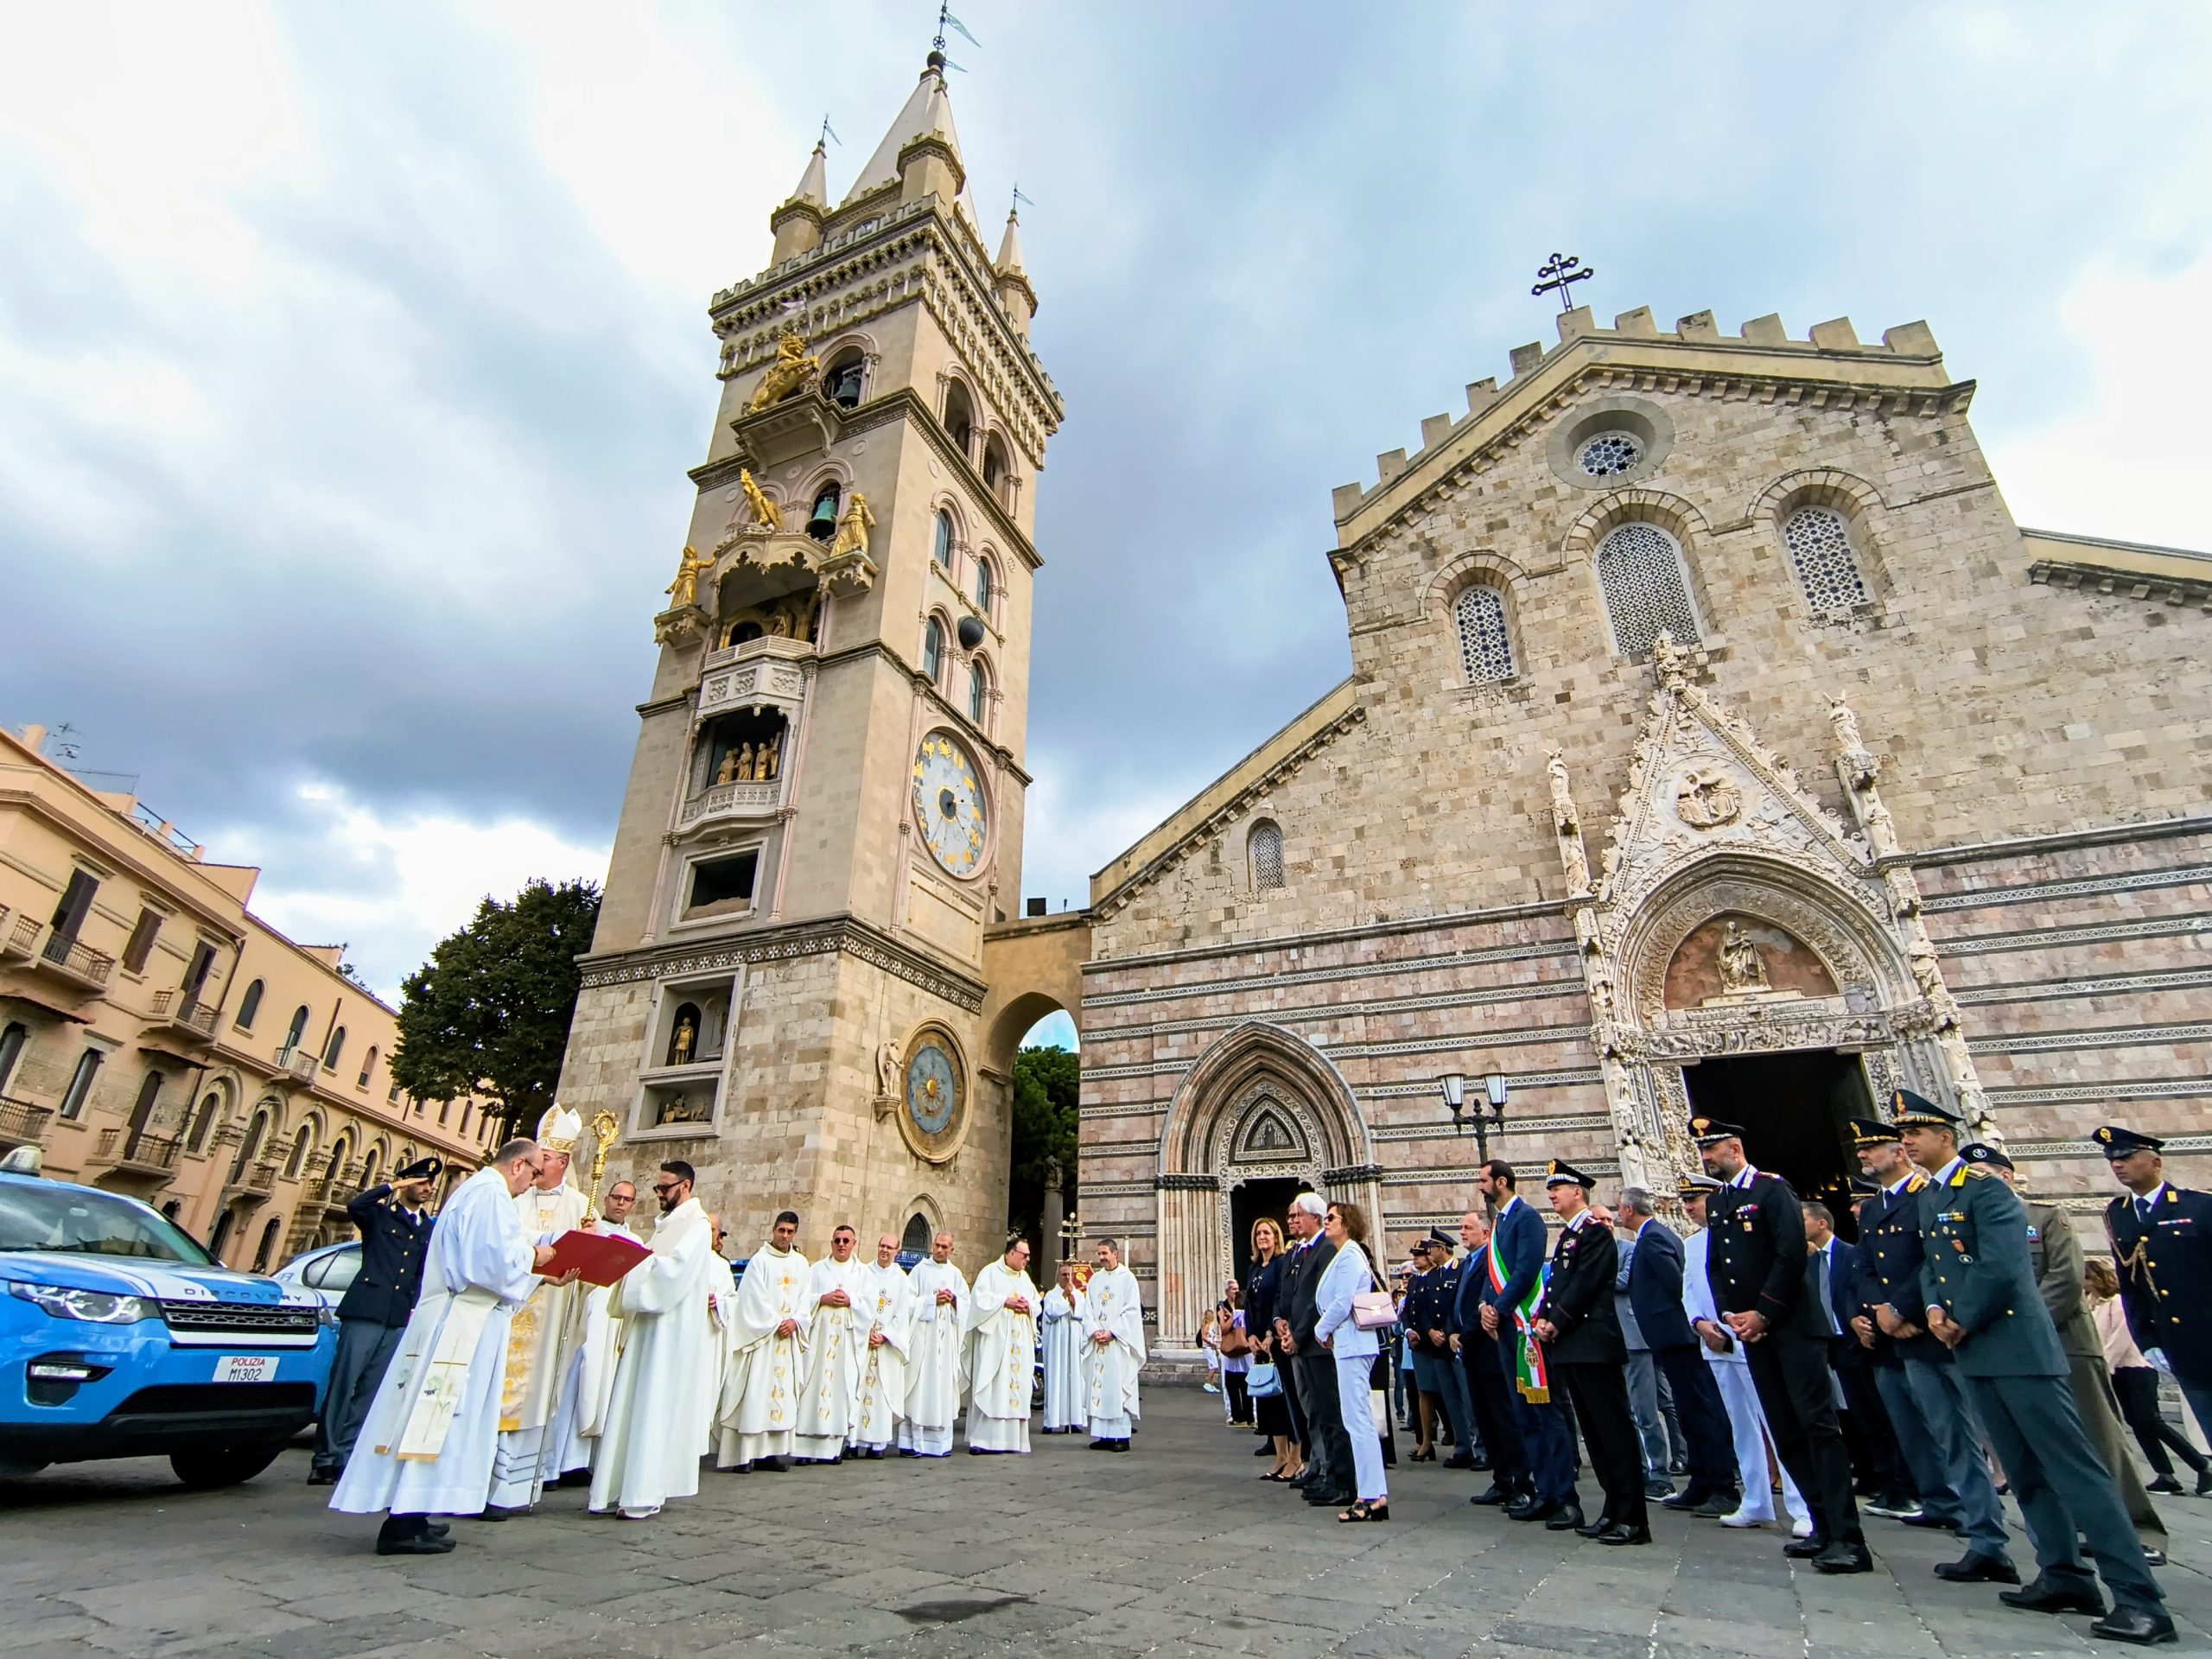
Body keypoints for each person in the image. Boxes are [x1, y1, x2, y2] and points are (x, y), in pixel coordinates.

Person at [1903, 1097, 2172, 1644]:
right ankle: (2063, 1574)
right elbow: (1934, 1266)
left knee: (2075, 1470)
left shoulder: (1987, 1191)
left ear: (1946, 1137)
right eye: (1903, 1135)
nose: (1906, 1142)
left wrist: (1961, 1319)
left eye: (1916, 1133)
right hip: (1975, 1352)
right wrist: (1933, 1310)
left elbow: (2003, 1267)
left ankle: (2138, 1598)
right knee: (2024, 1472)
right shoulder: (1931, 1196)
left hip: (2018, 1348)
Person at [331, 1139, 555, 1555]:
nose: (534, 1181)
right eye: (536, 1172)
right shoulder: (490, 1195)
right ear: (518, 1165)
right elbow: (489, 1264)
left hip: (456, 1318)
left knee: (435, 1422)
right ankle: (402, 1525)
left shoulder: (478, 1191)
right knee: (435, 1418)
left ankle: (414, 1513)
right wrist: (536, 1257)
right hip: (459, 1324)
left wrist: (539, 1270)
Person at [1970, 1142, 2168, 1565]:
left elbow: (2064, 1277)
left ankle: (2140, 1531)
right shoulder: (1972, 1227)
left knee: (2100, 1438)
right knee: (2037, 1446)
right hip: (2009, 1353)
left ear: (2007, 1176)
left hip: (2065, 1344)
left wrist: (2021, 1326)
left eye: (1985, 1175)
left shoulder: (2044, 1217)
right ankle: (2077, 1530)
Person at [1694, 1116, 1869, 1573]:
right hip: (1753, 1332)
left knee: (1817, 1427)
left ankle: (1848, 1537)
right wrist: (1730, 1313)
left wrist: (1763, 1312)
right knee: (1785, 1430)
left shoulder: (1772, 1190)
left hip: (1791, 1328)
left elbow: (1790, 1255)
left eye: (1711, 1150)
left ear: (1734, 1148)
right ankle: (1822, 1527)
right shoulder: (1720, 1201)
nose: (1706, 1158)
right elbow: (1717, 1265)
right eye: (1703, 1151)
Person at [1848, 1114, 2013, 1573]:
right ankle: (1970, 1522)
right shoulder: (1875, 1208)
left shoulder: (1929, 1196)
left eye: (1872, 1148)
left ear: (1899, 1152)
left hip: (1942, 1331)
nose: (1863, 1155)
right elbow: (1864, 1266)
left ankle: (2004, 1532)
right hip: (1901, 1337)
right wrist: (1879, 1312)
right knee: (1943, 1435)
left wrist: (1904, 1311)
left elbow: (1935, 1262)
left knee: (1982, 1435)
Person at [586, 1160, 717, 1521]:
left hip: (667, 1337)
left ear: (685, 1186)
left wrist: (631, 1260)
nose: (659, 1194)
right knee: (633, 1404)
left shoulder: (697, 1225)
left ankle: (643, 1493)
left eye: (665, 1188)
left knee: (653, 1406)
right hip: (648, 1330)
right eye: (658, 1187)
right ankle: (617, 1488)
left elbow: (672, 1273)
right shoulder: (667, 1225)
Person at [1531, 1161, 1646, 1544]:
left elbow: (1586, 1283)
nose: (1551, 1195)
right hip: (1573, 1346)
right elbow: (1557, 1285)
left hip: (1593, 1343)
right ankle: (1612, 1509)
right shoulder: (1569, 1235)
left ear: (1577, 1192)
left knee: (1613, 1431)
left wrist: (1555, 1321)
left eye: (1557, 1188)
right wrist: (1543, 1316)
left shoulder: (1594, 1233)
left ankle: (1632, 1517)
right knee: (1595, 1435)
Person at [486, 1106, 592, 1516]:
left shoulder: (581, 1206)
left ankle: (514, 1488)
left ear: (562, 1162)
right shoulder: (511, 1198)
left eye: (543, 1158)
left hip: (549, 1322)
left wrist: (588, 1242)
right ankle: (482, 1482)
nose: (534, 1165)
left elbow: (589, 1267)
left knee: (535, 1396)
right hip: (507, 1311)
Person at [310, 1155, 442, 1484]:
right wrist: (393, 1185)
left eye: (430, 1184)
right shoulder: (381, 1215)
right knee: (344, 1384)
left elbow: (420, 1273)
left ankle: (347, 1455)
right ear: (407, 1183)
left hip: (396, 1316)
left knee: (371, 1390)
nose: (427, 1188)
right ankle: (325, 1458)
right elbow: (355, 1205)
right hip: (365, 1310)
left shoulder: (427, 1227)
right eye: (421, 1182)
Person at [1618, 1185, 1737, 1516]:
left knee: (1700, 1410)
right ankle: (1701, 1482)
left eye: (1620, 1207)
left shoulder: (1654, 1238)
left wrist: (1689, 1322)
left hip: (1678, 1338)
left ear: (1629, 1209)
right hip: (1669, 1339)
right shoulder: (1653, 1236)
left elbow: (1676, 1284)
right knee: (1687, 1411)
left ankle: (1722, 1486)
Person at [2098, 1123, 2212, 1445]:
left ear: (2155, 1162)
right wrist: (2147, 1340)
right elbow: (2130, 1286)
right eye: (2112, 1160)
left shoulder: (2198, 1206)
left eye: (2126, 1157)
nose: (2117, 1165)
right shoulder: (2118, 1215)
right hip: (2180, 1345)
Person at [1478, 1160, 1573, 1523]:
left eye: (1484, 1180)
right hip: (1506, 1330)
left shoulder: (1527, 1218)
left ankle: (1564, 1496)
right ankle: (1544, 1491)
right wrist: (1485, 1307)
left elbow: (1527, 1270)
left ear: (1502, 1181)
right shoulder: (1499, 1222)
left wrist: (1499, 1308)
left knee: (1546, 1414)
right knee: (1524, 1416)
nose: (1480, 1186)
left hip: (1527, 1328)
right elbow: (1491, 1276)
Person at [1802, 1200, 1909, 1519]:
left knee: (1876, 1415)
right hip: (1828, 1345)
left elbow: (1858, 1292)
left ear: (1822, 1223)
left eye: (1802, 1220)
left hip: (1856, 1344)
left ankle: (1896, 1484)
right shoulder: (1808, 1260)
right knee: (1848, 1415)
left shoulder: (1849, 1254)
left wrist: (1856, 1321)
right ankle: (1869, 1473)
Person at [2089, 1255, 2211, 1497]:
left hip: (2137, 1368)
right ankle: (2165, 1475)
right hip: (2118, 1369)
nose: (2085, 1284)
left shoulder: (2118, 1302)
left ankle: (2202, 1466)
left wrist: (2103, 1366)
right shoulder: (2094, 1303)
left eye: (2088, 1278)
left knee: (2150, 1420)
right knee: (2137, 1423)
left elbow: (2120, 1339)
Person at [556, 1179, 642, 1484]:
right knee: (576, 1382)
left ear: (633, 1206)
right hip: (587, 1318)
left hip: (614, 1323)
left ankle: (586, 1461)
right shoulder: (591, 1230)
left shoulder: (637, 1243)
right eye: (616, 1197)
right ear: (606, 1199)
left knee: (604, 1387)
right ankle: (559, 1461)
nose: (620, 1203)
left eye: (627, 1200)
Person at [715, 1210, 810, 1472]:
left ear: (795, 1233)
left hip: (787, 1341)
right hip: (763, 1341)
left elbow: (806, 1299)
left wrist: (796, 1321)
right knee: (756, 1394)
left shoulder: (801, 1263)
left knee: (782, 1397)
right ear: (773, 1230)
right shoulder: (760, 1261)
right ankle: (746, 1455)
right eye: (781, 1230)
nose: (785, 1236)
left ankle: (772, 1453)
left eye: (790, 1232)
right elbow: (752, 1298)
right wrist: (776, 1322)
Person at [1313, 1200, 1389, 1522]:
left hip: (1353, 1344)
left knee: (1358, 1421)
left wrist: (1320, 1330)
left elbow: (1343, 1301)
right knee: (1357, 1419)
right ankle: (1375, 1493)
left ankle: (1370, 1496)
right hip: (1349, 1344)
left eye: (1331, 1217)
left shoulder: (1350, 1255)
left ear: (1346, 1223)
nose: (1326, 1221)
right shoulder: (1345, 1254)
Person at [1276, 1192, 1351, 1509]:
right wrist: (1282, 1324)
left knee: (1332, 1413)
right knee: (1316, 1411)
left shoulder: (1327, 1249)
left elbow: (1318, 1301)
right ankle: (1326, 1473)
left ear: (1315, 1218)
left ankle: (1340, 1480)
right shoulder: (1302, 1250)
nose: (1292, 1221)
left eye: (1298, 1215)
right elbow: (1291, 1294)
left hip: (1318, 1346)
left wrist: (1300, 1334)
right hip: (1304, 1344)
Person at [1610, 1190, 1674, 1502]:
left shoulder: (1630, 1249)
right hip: (1608, 1341)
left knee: (1646, 1409)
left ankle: (1660, 1473)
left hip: (1634, 1340)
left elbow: (1625, 1281)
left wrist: (1593, 1276)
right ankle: (1637, 1469)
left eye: (1606, 1219)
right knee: (1622, 1412)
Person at [794, 1224, 870, 1464]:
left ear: (854, 1244)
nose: (841, 1245)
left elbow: (869, 1308)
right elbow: (802, 1300)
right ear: (831, 1243)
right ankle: (803, 1450)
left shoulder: (863, 1273)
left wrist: (851, 1302)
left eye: (846, 1241)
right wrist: (822, 1299)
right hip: (819, 1340)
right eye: (837, 1240)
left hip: (846, 1342)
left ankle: (832, 1450)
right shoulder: (817, 1269)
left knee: (840, 1388)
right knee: (812, 1386)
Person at [966, 1235, 1040, 1454]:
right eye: (1024, 1255)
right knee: (994, 1387)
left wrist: (1028, 1307)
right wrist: (1004, 1301)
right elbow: (978, 1302)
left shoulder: (1025, 1279)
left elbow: (1036, 1304)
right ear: (1012, 1253)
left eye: (1029, 1256)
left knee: (1015, 1387)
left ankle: (1013, 1441)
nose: (1027, 1259)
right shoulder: (990, 1273)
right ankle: (984, 1440)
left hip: (1019, 1345)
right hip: (995, 1345)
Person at [900, 1230, 968, 1458]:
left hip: (946, 1342)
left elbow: (967, 1305)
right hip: (924, 1340)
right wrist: (931, 1301)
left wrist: (955, 1301)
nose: (940, 1250)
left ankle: (940, 1444)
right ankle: (913, 1443)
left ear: (952, 1250)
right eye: (937, 1245)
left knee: (942, 1387)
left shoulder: (956, 1274)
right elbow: (907, 1302)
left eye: (945, 1247)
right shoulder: (920, 1270)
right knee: (920, 1387)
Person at [1245, 1217, 1300, 1480]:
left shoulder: (1282, 1263)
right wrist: (1250, 1335)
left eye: (1267, 1232)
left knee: (1287, 1398)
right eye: (1258, 1233)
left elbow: (1281, 1299)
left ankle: (1296, 1458)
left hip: (1276, 1341)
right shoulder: (1255, 1267)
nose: (1262, 1237)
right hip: (1259, 1345)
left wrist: (1269, 1332)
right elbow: (1249, 1304)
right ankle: (1280, 1457)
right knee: (1269, 1401)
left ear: (1276, 1236)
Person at [851, 1233, 912, 1459]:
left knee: (882, 1393)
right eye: (882, 1246)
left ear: (897, 1251)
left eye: (890, 1247)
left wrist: (885, 1336)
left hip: (886, 1347)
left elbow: (902, 1314)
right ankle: (852, 1442)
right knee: (858, 1390)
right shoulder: (864, 1273)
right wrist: (865, 1332)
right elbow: (857, 1304)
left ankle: (877, 1445)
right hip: (864, 1343)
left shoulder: (901, 1279)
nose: (885, 1250)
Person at [1084, 1236, 1147, 1450]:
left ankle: (1121, 1437)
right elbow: (1088, 1310)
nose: (1101, 1257)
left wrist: (1112, 1332)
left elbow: (1132, 1311)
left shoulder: (1127, 1279)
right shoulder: (1095, 1280)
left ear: (1115, 1254)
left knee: (1117, 1389)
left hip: (1118, 1344)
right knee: (1102, 1390)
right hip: (1099, 1343)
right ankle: (1104, 1436)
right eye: (1099, 1253)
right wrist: (1094, 1331)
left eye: (1105, 1253)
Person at [1040, 1262, 1086, 1433]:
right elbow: (1051, 1313)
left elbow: (1083, 1314)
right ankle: (1051, 1421)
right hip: (1057, 1345)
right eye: (1064, 1274)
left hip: (1074, 1344)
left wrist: (1074, 1304)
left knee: (1075, 1379)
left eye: (1069, 1274)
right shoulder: (1051, 1295)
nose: (1067, 1278)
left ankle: (1074, 1421)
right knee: (1055, 1379)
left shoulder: (1079, 1295)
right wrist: (1064, 1299)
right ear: (1058, 1276)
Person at [1220, 1283, 1253, 1426]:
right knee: (1246, 1387)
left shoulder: (1237, 1314)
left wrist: (1226, 1316)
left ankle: (1238, 1417)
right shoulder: (1250, 1315)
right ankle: (1250, 1417)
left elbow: (1224, 1329)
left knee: (1232, 1386)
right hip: (1247, 1354)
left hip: (1233, 1354)